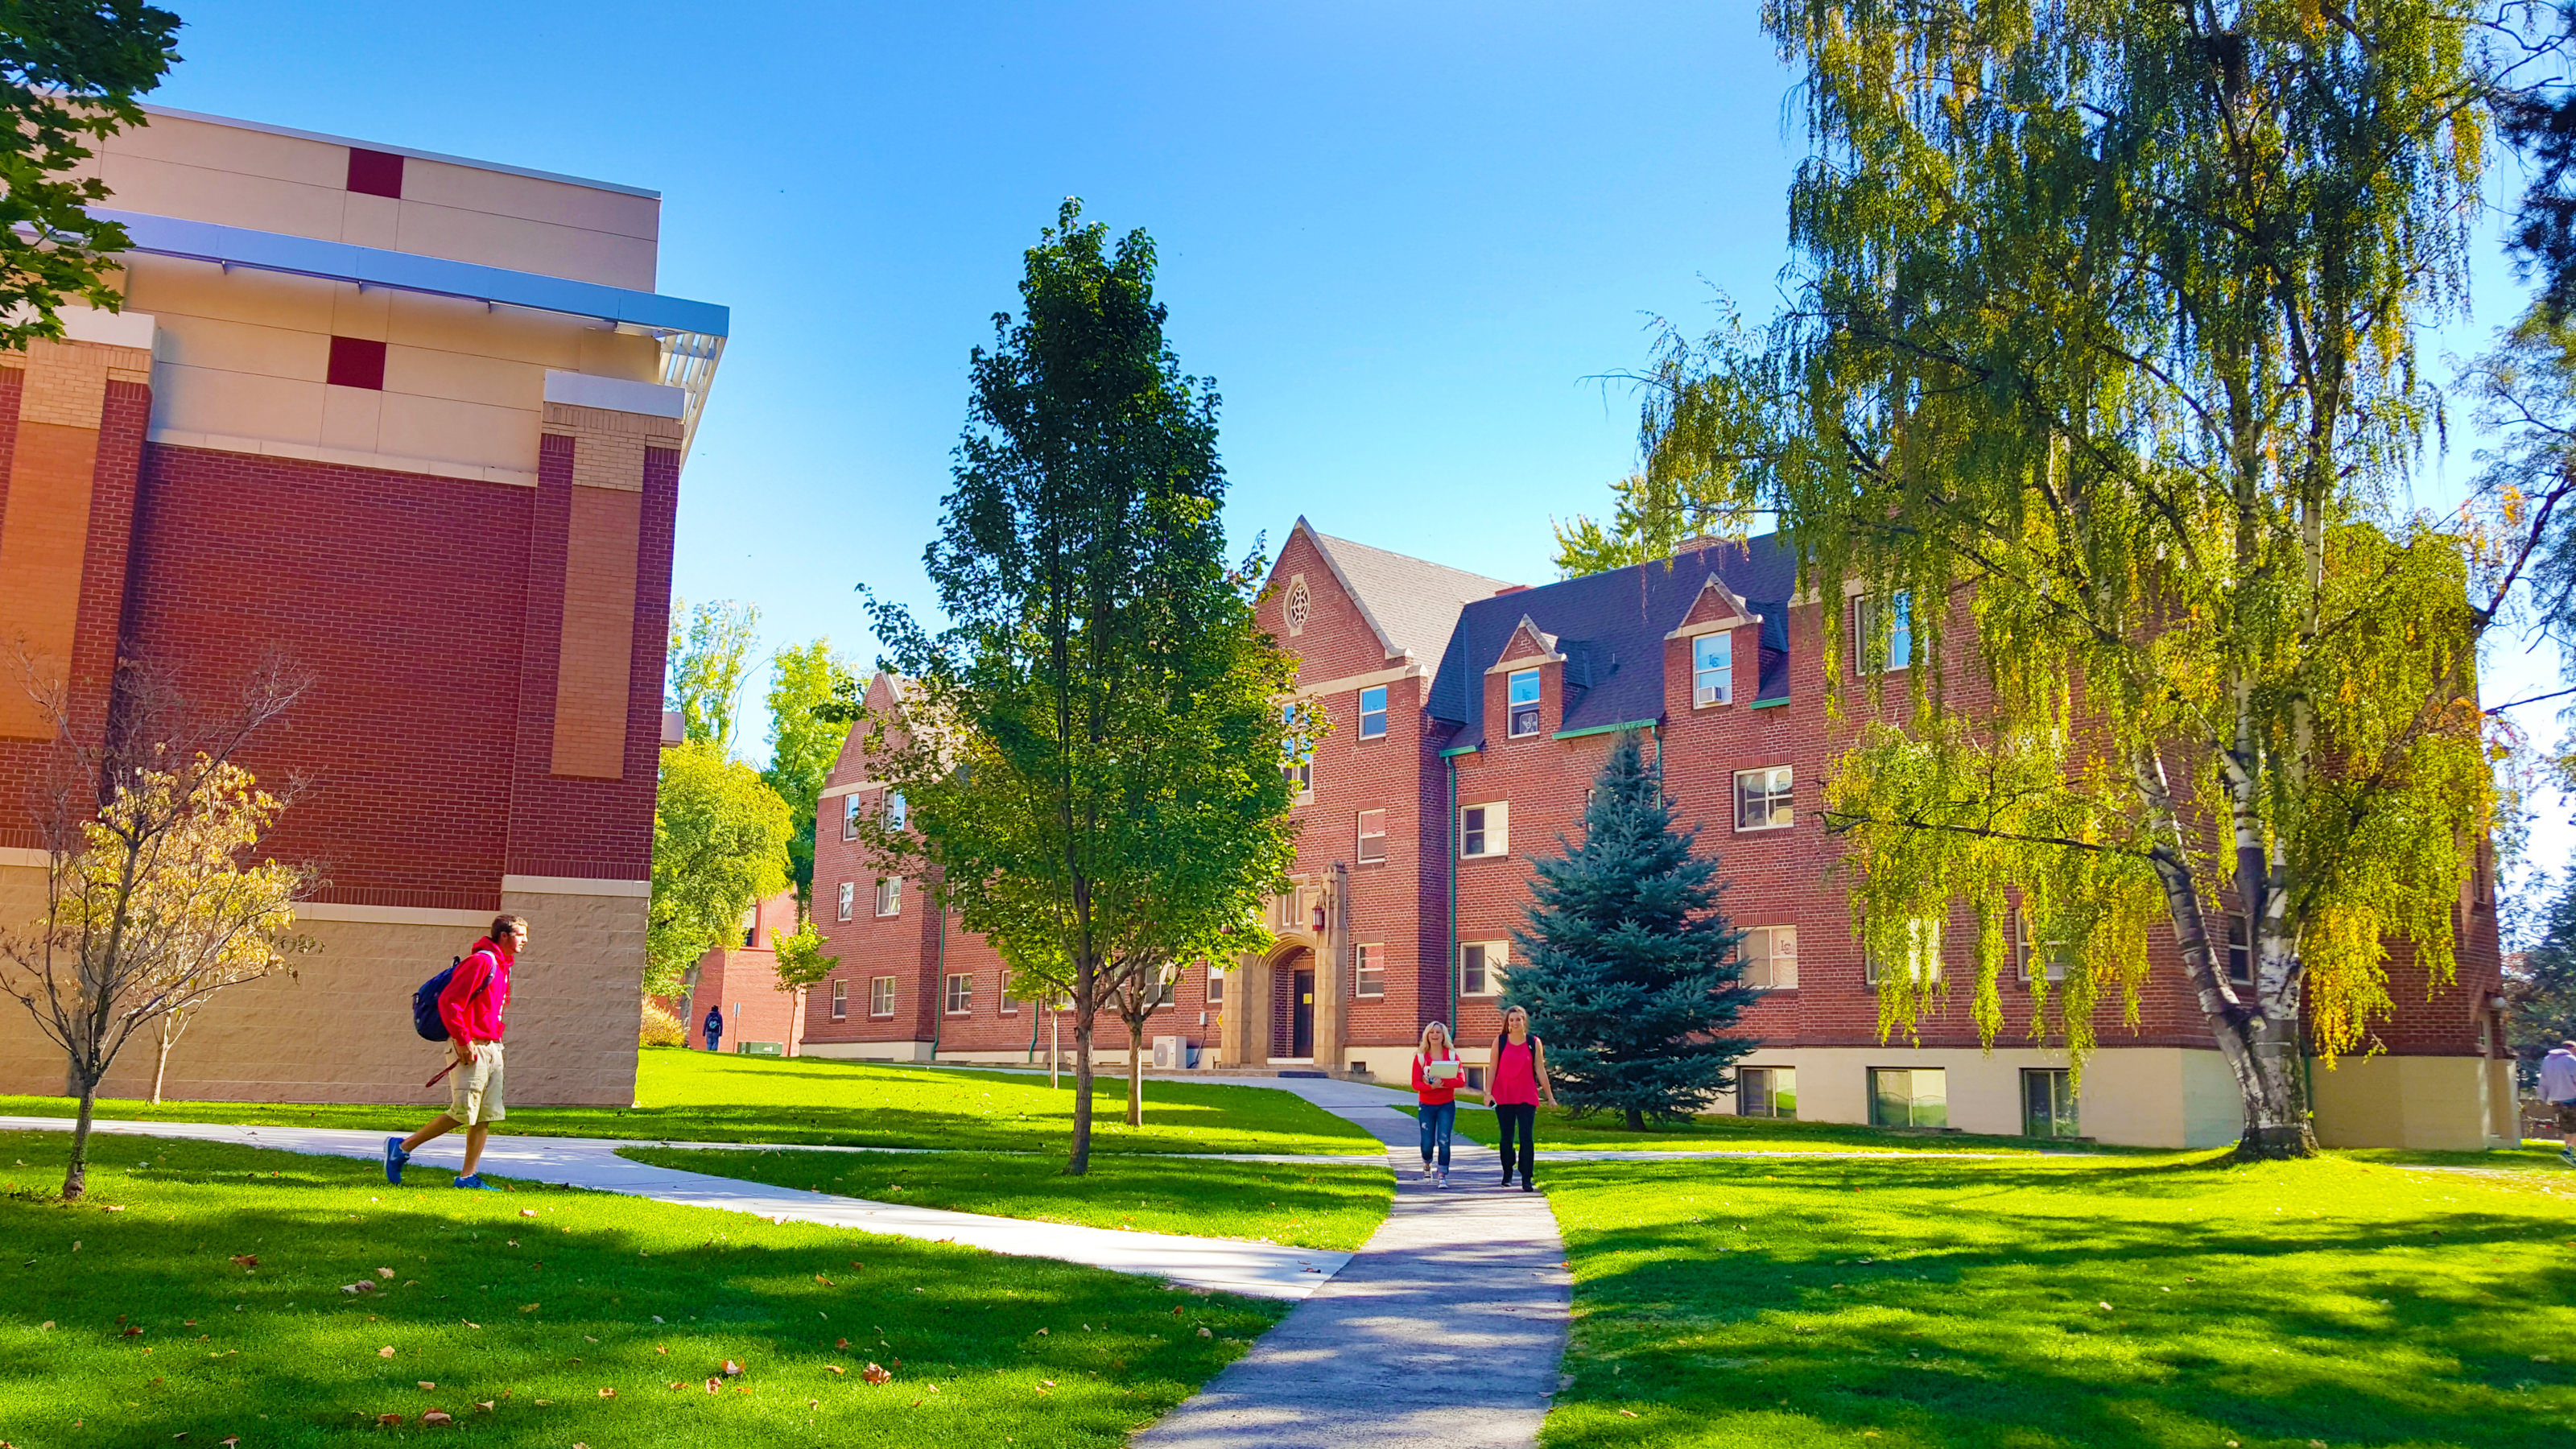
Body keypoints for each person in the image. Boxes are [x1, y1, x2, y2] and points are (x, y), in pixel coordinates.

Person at [385, 915, 526, 1190]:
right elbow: (450, 1001)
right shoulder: (482, 962)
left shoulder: (501, 966)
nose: (525, 940)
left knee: (486, 1115)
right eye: (520, 935)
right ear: (504, 936)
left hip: (492, 1046)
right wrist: (462, 1040)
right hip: (470, 1045)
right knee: (463, 1112)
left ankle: (467, 1178)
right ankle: (401, 1147)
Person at [1489, 1004, 1556, 1191]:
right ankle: (1507, 1171)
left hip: (1526, 1094)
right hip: (1504, 1094)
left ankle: (1527, 1177)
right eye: (1511, 1020)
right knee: (1506, 1138)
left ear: (1524, 1021)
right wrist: (1488, 1092)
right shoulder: (1500, 1041)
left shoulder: (1533, 1042)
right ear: (1508, 1023)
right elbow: (1493, 1067)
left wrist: (1550, 1097)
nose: (1515, 1023)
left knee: (1526, 1137)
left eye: (1518, 1019)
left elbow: (1540, 1070)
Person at [1411, 1021, 1463, 1187]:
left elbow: (1461, 1080)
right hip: (1426, 1105)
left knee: (1444, 1139)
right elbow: (1415, 1083)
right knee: (1427, 1143)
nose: (1435, 1035)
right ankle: (1427, 1163)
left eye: (1438, 1033)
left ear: (1444, 1036)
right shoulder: (1421, 1058)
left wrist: (1443, 1083)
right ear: (1427, 1035)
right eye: (1431, 1032)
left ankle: (1442, 1174)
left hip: (1446, 1105)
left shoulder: (1452, 1056)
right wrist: (1430, 1086)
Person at [2542, 1040, 2576, 1167]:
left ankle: (2570, 1157)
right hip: (2572, 1098)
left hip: (2556, 1100)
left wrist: (2546, 1098)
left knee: (2569, 1129)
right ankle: (2569, 1151)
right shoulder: (2571, 1060)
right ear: (2572, 1049)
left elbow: (2544, 1080)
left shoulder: (2547, 1060)